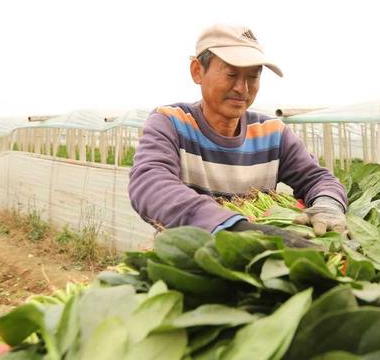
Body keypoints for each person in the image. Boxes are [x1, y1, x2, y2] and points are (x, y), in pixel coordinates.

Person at [128, 24, 347, 247]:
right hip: (188, 263)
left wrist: (327, 204)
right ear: (197, 71)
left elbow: (318, 178)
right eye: (231, 74)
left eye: (253, 77)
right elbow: (149, 182)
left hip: (256, 264)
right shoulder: (170, 122)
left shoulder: (273, 133)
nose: (242, 89)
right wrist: (232, 228)